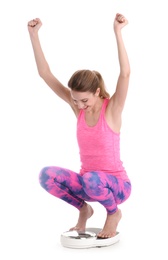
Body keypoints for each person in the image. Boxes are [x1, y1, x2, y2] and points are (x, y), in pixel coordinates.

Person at [27, 13, 131, 238]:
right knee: (46, 175)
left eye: (84, 100)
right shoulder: (78, 109)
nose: (79, 105)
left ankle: (113, 213)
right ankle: (84, 208)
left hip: (116, 187)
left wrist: (118, 32)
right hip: (88, 183)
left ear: (96, 92)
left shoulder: (112, 110)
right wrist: (33, 35)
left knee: (93, 178)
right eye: (75, 100)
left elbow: (125, 74)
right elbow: (45, 74)